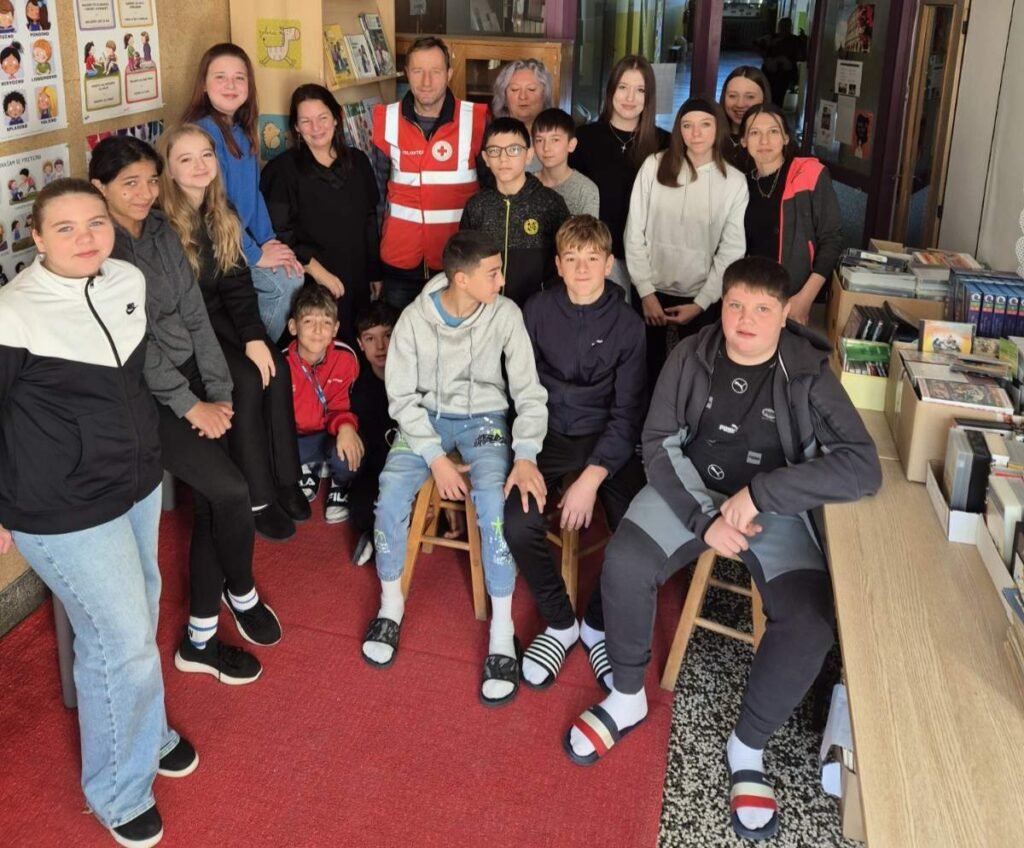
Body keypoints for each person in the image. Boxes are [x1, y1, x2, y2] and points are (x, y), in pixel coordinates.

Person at [563, 257, 882, 844]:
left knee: (811, 623)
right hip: (691, 489)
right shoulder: (691, 354)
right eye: (735, 304)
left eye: (762, 308)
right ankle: (627, 695)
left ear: (785, 315)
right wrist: (702, 520)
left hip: (771, 509)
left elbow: (863, 468)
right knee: (625, 561)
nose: (745, 319)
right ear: (721, 306)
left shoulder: (808, 372)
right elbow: (657, 442)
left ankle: (747, 746)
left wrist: (762, 494)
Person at [0, 179, 198, 848]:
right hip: (60, 504)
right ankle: (118, 790)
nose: (85, 238)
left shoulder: (125, 281)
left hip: (134, 483)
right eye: (65, 227)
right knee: (121, 638)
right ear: (36, 237)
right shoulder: (13, 311)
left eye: (95, 222)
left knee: (138, 613)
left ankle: (149, 731)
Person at [92, 134, 277, 687]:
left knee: (212, 505)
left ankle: (199, 638)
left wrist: (219, 390)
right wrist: (192, 405)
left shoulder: (160, 229)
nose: (145, 192)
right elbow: (134, 344)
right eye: (130, 183)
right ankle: (241, 590)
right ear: (100, 188)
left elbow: (196, 315)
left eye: (152, 180)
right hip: (145, 401)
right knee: (231, 492)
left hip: (195, 378)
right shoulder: (100, 253)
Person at [361, 230, 548, 709]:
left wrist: (526, 453)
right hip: (424, 421)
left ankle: (502, 630)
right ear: (461, 279)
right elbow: (401, 398)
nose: (502, 281)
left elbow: (528, 392)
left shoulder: (505, 314)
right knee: (390, 495)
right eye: (493, 273)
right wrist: (435, 458)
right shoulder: (413, 320)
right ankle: (390, 605)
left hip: (485, 421)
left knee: (494, 505)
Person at [505, 215, 646, 691]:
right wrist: (524, 453)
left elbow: (627, 412)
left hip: (604, 435)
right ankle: (560, 622)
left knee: (636, 527)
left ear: (608, 265)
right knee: (517, 520)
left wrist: (591, 478)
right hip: (543, 431)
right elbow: (521, 389)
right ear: (558, 265)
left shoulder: (628, 325)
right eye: (572, 259)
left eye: (592, 259)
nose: (582, 269)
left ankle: (597, 624)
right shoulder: (536, 310)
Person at [159, 123, 307, 542]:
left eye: (206, 155)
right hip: (184, 327)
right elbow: (176, 310)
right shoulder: (163, 223)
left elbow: (237, 284)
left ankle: (285, 479)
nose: (199, 165)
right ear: (169, 169)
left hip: (219, 311)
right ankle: (257, 497)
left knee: (275, 367)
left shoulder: (220, 209)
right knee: (243, 380)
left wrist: (255, 337)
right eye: (185, 159)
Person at [182, 43, 304, 343]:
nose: (231, 85)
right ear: (204, 84)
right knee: (285, 283)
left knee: (291, 271)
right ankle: (254, 352)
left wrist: (269, 240)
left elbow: (253, 194)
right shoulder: (203, 133)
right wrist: (257, 254)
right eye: (220, 77)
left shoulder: (241, 128)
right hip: (217, 245)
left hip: (241, 240)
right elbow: (215, 208)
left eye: (239, 78)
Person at [624, 97, 748, 389]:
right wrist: (645, 292)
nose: (696, 133)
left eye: (705, 125)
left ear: (718, 129)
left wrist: (702, 303)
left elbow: (731, 251)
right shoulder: (654, 166)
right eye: (687, 125)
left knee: (696, 375)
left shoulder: (734, 182)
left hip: (700, 296)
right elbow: (634, 231)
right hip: (650, 291)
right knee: (645, 372)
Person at [370, 36, 489, 311]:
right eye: (418, 71)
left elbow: (490, 196)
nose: (426, 81)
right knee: (402, 335)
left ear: (449, 74)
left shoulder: (476, 120)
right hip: (399, 262)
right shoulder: (385, 119)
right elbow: (375, 200)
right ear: (406, 73)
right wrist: (373, 266)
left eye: (435, 71)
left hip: (458, 262)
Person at [261, 83, 381, 342]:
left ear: (336, 118)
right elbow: (278, 234)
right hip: (310, 283)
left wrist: (375, 272)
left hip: (357, 275)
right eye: (306, 121)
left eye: (323, 118)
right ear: (296, 127)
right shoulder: (281, 171)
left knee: (354, 346)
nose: (316, 128)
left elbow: (370, 219)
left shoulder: (359, 162)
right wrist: (318, 272)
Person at [569, 55, 670, 296]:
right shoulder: (584, 138)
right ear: (611, 90)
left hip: (649, 259)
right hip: (597, 255)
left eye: (640, 90)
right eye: (623, 87)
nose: (630, 98)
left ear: (649, 97)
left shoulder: (666, 143)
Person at [741, 104, 842, 325]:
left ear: (786, 137)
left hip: (797, 297)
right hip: (753, 296)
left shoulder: (809, 174)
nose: (764, 141)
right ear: (744, 141)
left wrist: (805, 298)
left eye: (773, 131)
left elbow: (831, 240)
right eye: (755, 133)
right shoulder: (740, 183)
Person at [460, 117, 569, 307]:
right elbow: (465, 261)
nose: (503, 159)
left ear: (529, 155)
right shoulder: (477, 205)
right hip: (487, 310)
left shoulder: (550, 203)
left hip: (538, 311)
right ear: (485, 158)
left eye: (514, 150)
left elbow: (565, 261)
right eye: (494, 151)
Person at [285, 285, 360, 524]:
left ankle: (339, 482)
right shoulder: (281, 362)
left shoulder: (346, 358)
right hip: (296, 438)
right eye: (308, 322)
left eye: (326, 323)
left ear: (335, 328)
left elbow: (344, 404)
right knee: (272, 456)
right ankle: (308, 467)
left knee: (349, 454)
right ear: (293, 326)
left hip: (329, 434)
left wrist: (346, 427)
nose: (318, 331)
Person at [348, 300, 399, 565]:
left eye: (387, 336)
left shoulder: (414, 377)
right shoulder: (360, 390)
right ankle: (378, 534)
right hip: (379, 471)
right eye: (370, 338)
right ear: (360, 343)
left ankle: (385, 537)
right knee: (360, 507)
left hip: (414, 471)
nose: (380, 346)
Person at [478, 57, 554, 184]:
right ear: (504, 95)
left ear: (545, 94)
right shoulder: (489, 135)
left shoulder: (558, 135)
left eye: (531, 89)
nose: (523, 96)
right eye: (514, 89)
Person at [533, 107, 599, 217]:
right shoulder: (525, 184)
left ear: (571, 144)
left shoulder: (585, 190)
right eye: (539, 140)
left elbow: (589, 228)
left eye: (555, 140)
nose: (546, 148)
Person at [719, 66, 771, 171]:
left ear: (764, 99)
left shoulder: (776, 141)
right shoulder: (711, 136)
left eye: (750, 97)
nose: (740, 104)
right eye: (732, 96)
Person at [757, 18, 806, 108]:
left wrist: (785, 61)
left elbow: (801, 57)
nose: (784, 28)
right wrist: (768, 59)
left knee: (779, 96)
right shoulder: (772, 38)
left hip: (784, 72)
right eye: (782, 26)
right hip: (771, 71)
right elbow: (758, 46)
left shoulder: (794, 40)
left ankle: (775, 110)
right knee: (768, 93)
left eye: (786, 26)